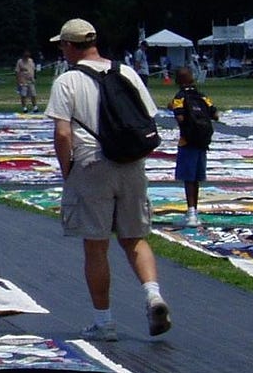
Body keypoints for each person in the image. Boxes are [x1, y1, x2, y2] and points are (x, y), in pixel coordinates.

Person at [46, 17, 170, 341]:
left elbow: (62, 134)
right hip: (131, 162)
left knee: (96, 246)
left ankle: (105, 321)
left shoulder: (67, 81)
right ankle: (153, 295)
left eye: (62, 45)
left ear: (71, 46)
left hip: (91, 165)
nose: (62, 50)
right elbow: (148, 118)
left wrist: (66, 170)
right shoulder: (126, 72)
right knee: (135, 237)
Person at [170, 66, 217, 228]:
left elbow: (180, 117)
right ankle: (194, 211)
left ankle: (191, 213)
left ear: (177, 81)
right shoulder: (202, 96)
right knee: (197, 179)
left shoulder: (180, 98)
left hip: (187, 142)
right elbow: (215, 114)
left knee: (188, 179)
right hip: (202, 143)